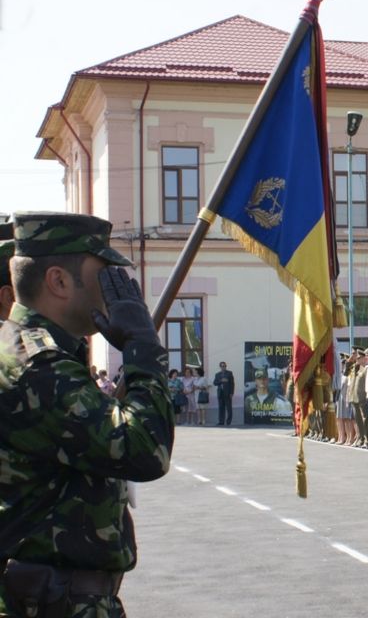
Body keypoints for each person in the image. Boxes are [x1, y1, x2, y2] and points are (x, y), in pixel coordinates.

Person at [0, 211, 173, 617]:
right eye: (103, 274)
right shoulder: (38, 366)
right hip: (50, 603)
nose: (114, 289)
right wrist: (143, 347)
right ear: (59, 281)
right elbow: (145, 450)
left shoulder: (31, 351)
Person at [213, 360, 235, 425]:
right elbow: (215, 383)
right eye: (222, 366)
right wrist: (221, 381)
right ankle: (221, 421)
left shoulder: (229, 373)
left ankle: (228, 422)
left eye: (224, 366)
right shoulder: (217, 374)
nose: (223, 367)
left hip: (227, 393)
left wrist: (231, 393)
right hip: (220, 393)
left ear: (226, 366)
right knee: (221, 408)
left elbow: (232, 383)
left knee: (229, 408)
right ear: (220, 367)